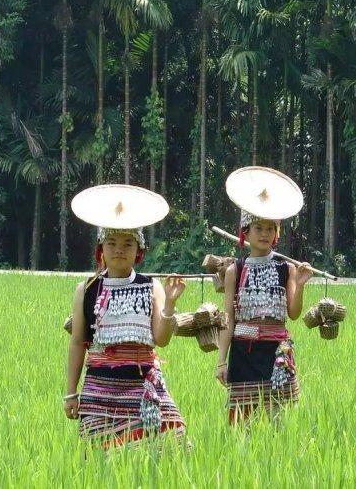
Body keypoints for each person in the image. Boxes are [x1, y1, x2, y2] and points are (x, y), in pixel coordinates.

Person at [63, 185, 186, 448]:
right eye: (112, 243)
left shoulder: (151, 287)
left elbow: (161, 340)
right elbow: (77, 343)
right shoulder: (86, 289)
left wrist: (171, 305)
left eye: (127, 243)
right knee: (100, 460)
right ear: (102, 249)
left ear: (138, 250)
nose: (119, 249)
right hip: (99, 387)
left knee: (172, 444)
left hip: (143, 384)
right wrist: (71, 393)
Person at [215, 167, 314, 424]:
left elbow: (293, 313)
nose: (264, 234)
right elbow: (228, 318)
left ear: (277, 233)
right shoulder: (234, 271)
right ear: (245, 231)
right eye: (258, 227)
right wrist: (221, 361)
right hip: (243, 352)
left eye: (270, 228)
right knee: (241, 427)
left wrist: (300, 285)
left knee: (277, 423)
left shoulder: (286, 269)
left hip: (275, 353)